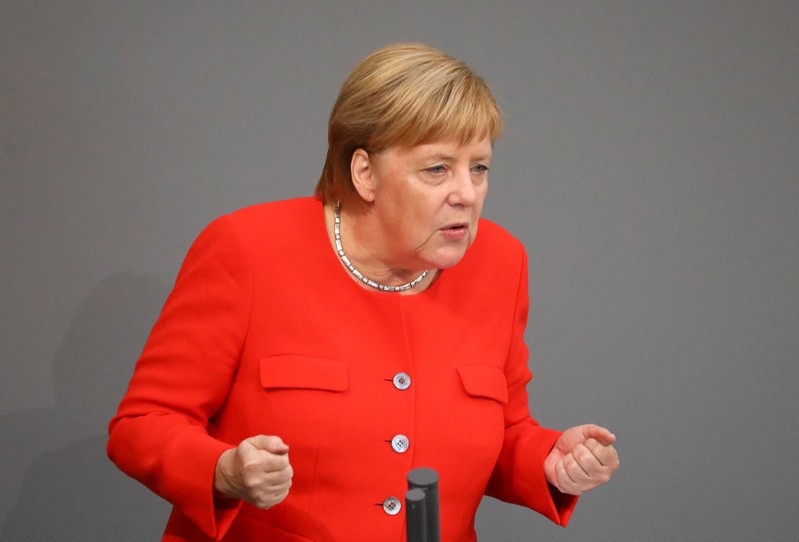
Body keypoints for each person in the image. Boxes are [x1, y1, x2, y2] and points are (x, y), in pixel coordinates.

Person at [108, 42, 619, 542]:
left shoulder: (501, 263)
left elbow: (502, 434)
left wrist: (550, 460)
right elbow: (142, 425)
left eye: (478, 167)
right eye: (437, 168)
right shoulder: (247, 250)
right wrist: (223, 470)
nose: (467, 192)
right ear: (365, 173)